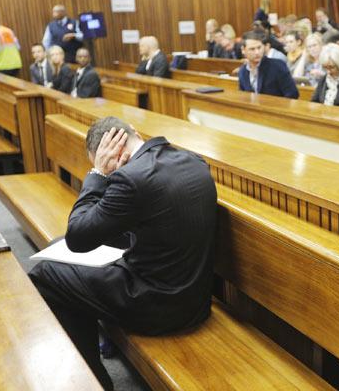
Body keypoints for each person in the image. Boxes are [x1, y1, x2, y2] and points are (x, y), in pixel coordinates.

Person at [28, 116, 217, 390]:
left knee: (45, 273)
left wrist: (98, 174)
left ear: (112, 154)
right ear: (134, 134)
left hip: (159, 306)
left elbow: (77, 238)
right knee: (60, 249)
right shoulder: (192, 159)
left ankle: (95, 382)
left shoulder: (131, 178)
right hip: (195, 299)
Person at [238, 32, 299, 98]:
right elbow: (244, 96)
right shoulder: (243, 71)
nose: (257, 52)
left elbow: (292, 94)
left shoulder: (277, 66)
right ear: (243, 50)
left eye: (259, 47)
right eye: (252, 49)